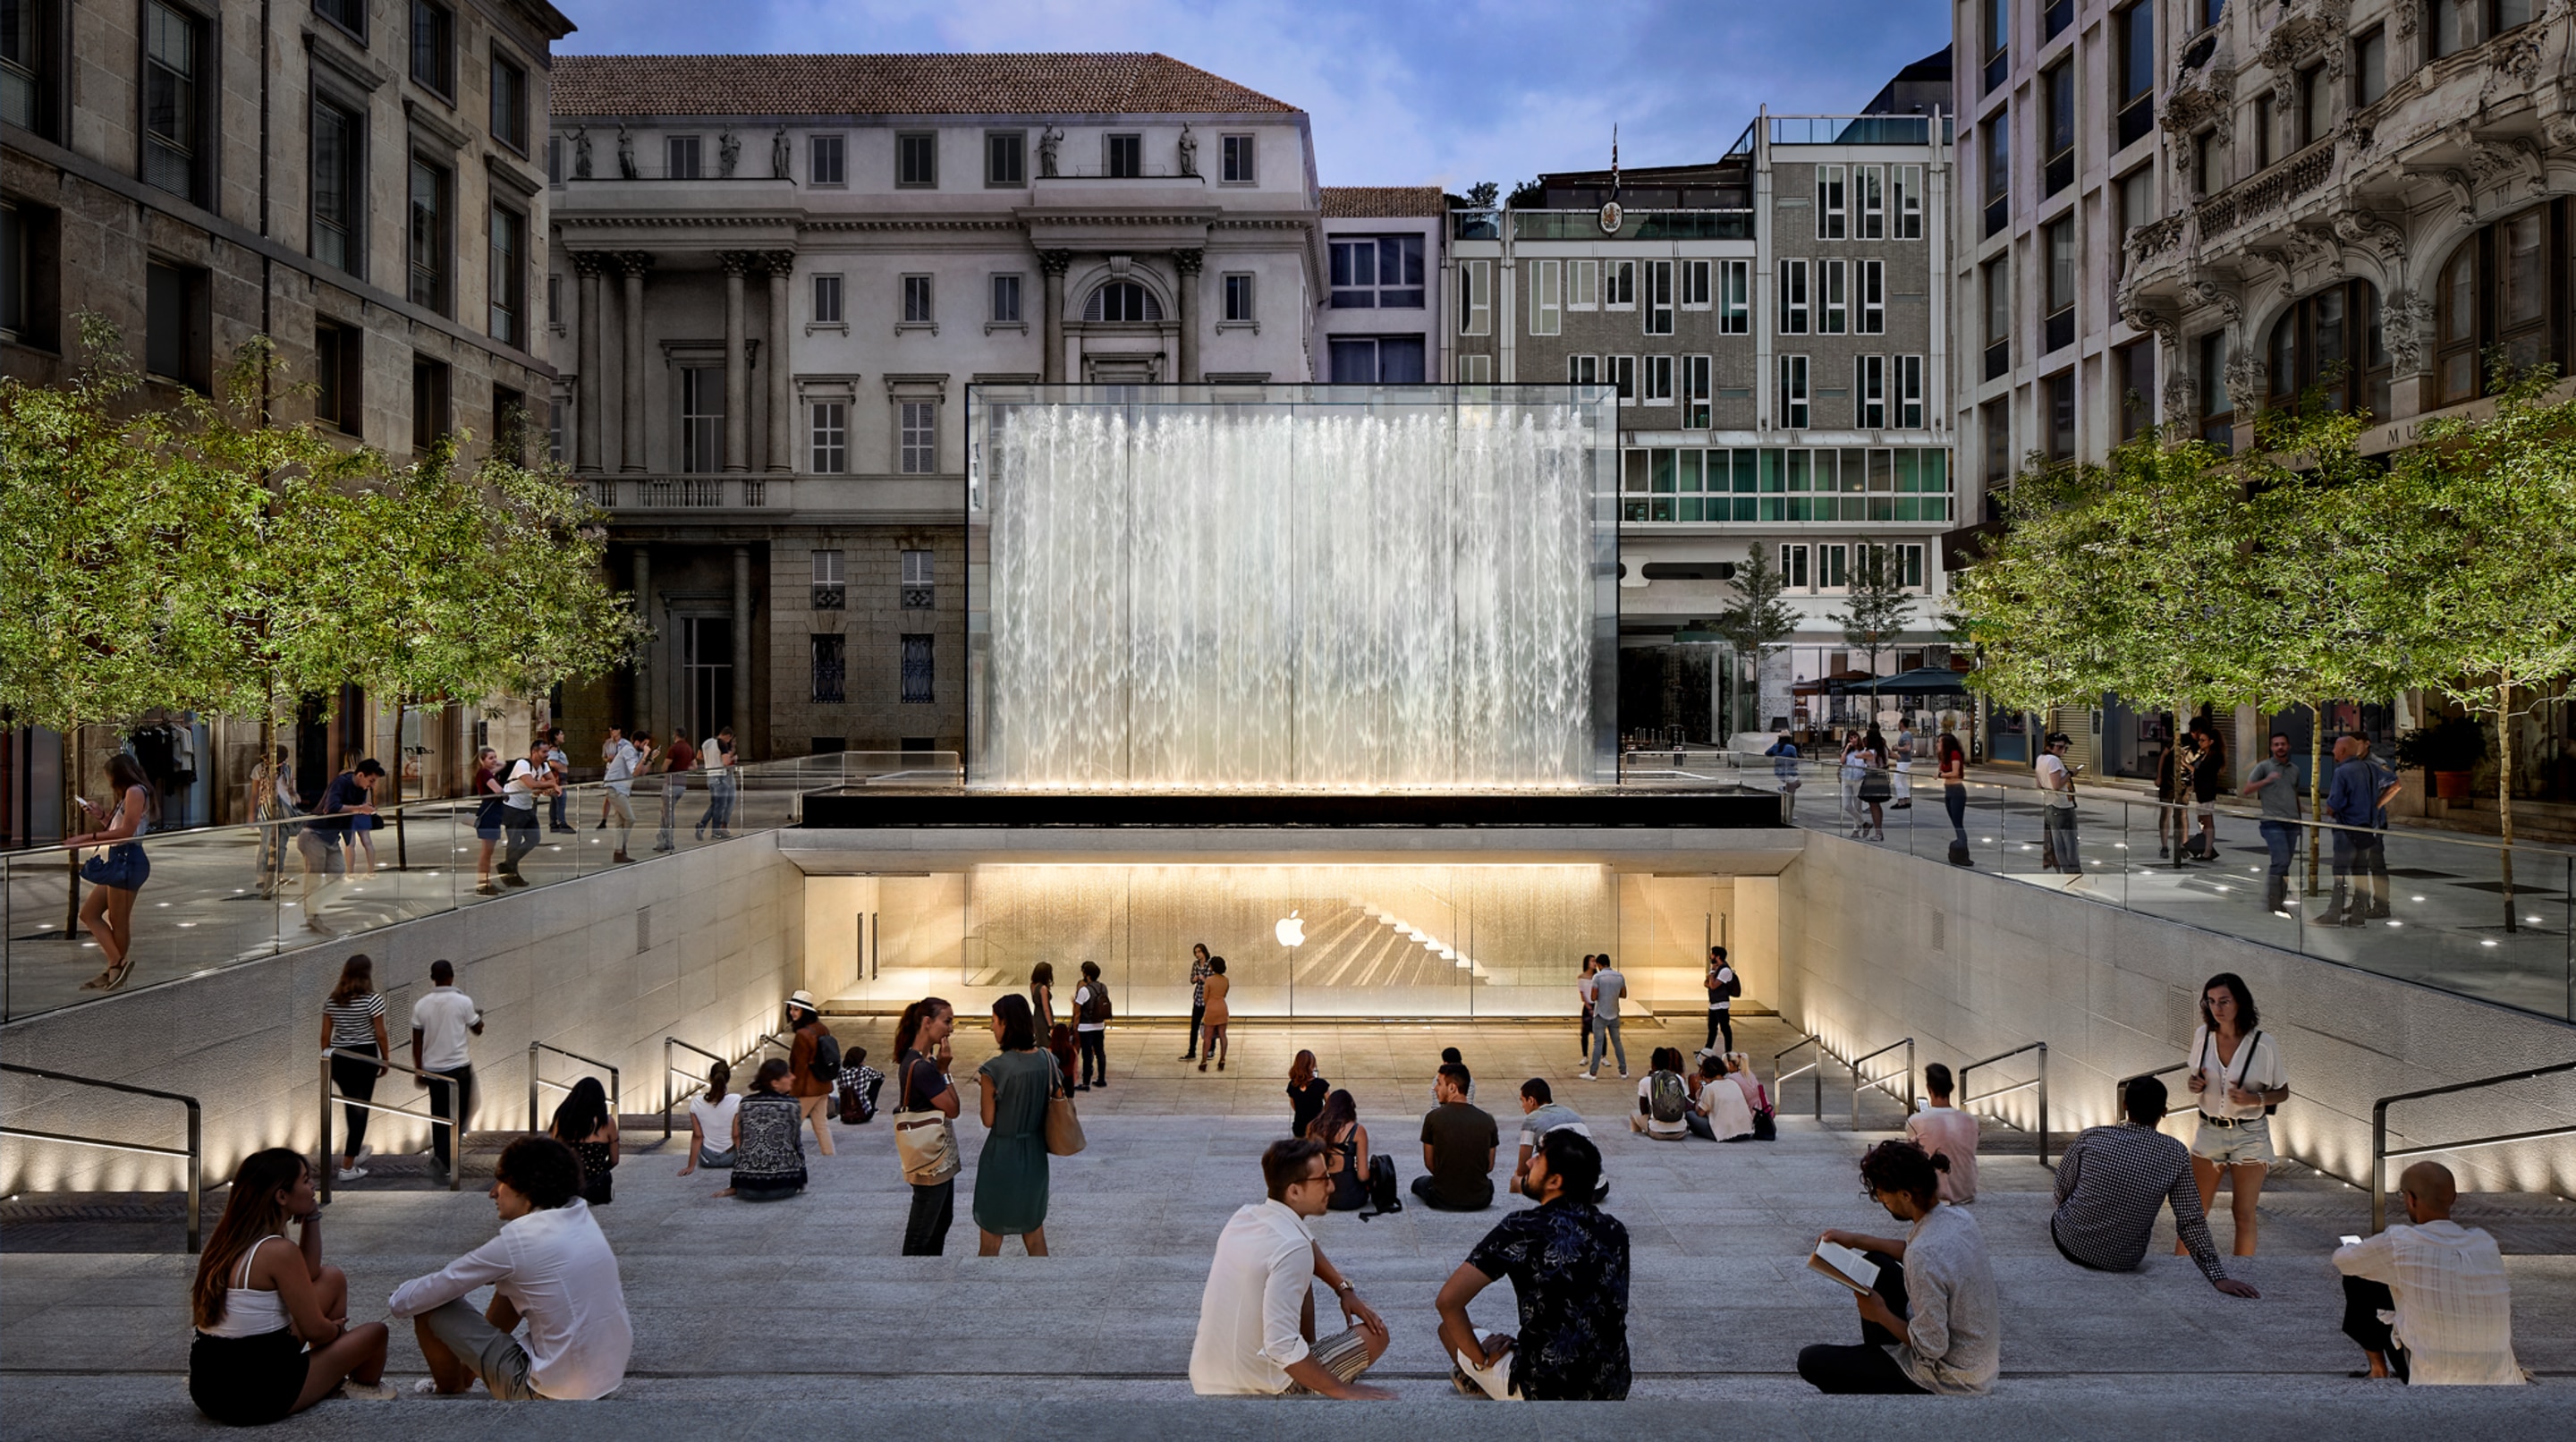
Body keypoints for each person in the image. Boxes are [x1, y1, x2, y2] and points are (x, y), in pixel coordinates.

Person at [390, 1134, 634, 1399]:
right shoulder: (578, 1214)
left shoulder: (521, 1239)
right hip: (604, 1380)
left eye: (501, 1181)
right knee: (514, 1282)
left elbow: (406, 1303)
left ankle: (449, 1389)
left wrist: (402, 1291)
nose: (492, 1192)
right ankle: (467, 1373)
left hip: (551, 1393)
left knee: (429, 1307)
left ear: (525, 1188)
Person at [188, 1148, 394, 1424]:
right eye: (306, 1180)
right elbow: (315, 1332)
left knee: (331, 1278)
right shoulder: (277, 1251)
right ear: (281, 1196)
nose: (312, 1188)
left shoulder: (226, 1242)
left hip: (209, 1388)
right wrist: (335, 1329)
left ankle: (325, 1378)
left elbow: (307, 1274)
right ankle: (351, 1385)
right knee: (376, 1333)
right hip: (256, 1395)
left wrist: (312, 1218)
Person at [1188, 1138, 1393, 1398]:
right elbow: (1280, 1346)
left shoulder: (1245, 1216)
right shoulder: (1292, 1248)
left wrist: (1343, 1289)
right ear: (1294, 1191)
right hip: (1263, 1387)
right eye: (1322, 1180)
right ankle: (1311, 1386)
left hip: (1208, 1378)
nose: (1331, 1186)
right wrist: (1339, 1390)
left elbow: (1306, 1243)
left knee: (1302, 1275)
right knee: (1376, 1334)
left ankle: (1310, 1356)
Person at [1435, 1128, 1628, 1401]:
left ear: (1555, 1181)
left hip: (1543, 1391)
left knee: (1450, 1332)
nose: (1528, 1163)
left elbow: (1448, 1302)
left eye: (1538, 1158)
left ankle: (1479, 1376)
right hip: (1612, 1387)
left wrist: (1482, 1357)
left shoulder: (1522, 1227)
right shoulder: (1615, 1230)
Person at [1797, 1141, 1999, 1395]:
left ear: (1906, 1195)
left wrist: (1879, 1313)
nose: (1881, 1199)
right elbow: (1915, 1251)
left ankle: (1880, 1365)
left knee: (1811, 1361)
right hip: (1980, 1361)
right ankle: (1878, 1358)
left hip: (1952, 1375)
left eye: (1883, 1193)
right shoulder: (1957, 1218)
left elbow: (1932, 1347)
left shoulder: (1922, 1255)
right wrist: (1856, 1240)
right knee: (1876, 1262)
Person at [2055, 1076, 2258, 1294]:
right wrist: (2218, 1276)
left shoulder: (2091, 1137)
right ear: (2164, 1112)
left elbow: (2062, 1188)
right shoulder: (2175, 1152)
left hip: (2069, 1241)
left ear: (2125, 1106)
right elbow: (2190, 1220)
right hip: (2123, 1259)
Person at [2334, 1161, 2523, 1385]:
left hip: (2432, 1378)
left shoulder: (2400, 1242)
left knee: (2359, 1281)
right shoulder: (2485, 1242)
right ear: (2453, 1199)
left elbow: (2343, 1260)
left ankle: (2378, 1368)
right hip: (2502, 1378)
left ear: (2410, 1199)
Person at [2179, 971, 2289, 1257]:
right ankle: (2179, 1276)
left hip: (2250, 1134)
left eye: (2224, 1001)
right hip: (2209, 1130)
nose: (2217, 1008)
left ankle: (2243, 1274)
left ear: (2240, 1002)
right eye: (2211, 1001)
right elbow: (2195, 1076)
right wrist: (2194, 1085)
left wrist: (2256, 1098)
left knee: (2243, 1213)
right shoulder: (2203, 1036)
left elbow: (2283, 1091)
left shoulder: (2263, 1044)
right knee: (2194, 1212)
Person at [975, 993, 1056, 1256]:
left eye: (994, 1020)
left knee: (990, 1239)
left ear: (1006, 1024)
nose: (991, 1026)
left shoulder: (993, 1069)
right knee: (1034, 1234)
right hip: (1034, 1155)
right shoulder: (1047, 1060)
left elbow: (988, 1120)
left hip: (1002, 1155)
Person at [66, 754, 155, 988]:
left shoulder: (135, 791)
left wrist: (87, 837)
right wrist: (101, 815)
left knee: (118, 919)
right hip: (120, 859)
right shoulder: (130, 793)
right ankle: (116, 963)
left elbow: (126, 832)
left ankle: (116, 968)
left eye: (109, 777)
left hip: (128, 859)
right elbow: (119, 827)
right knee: (89, 914)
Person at [894, 997, 960, 1254]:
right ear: (927, 1022)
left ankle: (928, 1273)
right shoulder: (921, 1067)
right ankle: (913, 1278)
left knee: (940, 1222)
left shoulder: (922, 1061)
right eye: (947, 1021)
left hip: (936, 1156)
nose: (951, 1028)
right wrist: (945, 1070)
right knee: (923, 1228)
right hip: (929, 1159)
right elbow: (953, 1109)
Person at [320, 953, 392, 1183]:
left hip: (340, 1058)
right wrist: (385, 1059)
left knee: (353, 1108)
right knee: (360, 1111)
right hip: (364, 1056)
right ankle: (348, 1165)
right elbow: (380, 1033)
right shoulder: (373, 1000)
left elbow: (324, 1037)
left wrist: (328, 1060)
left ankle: (355, 1152)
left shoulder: (332, 1000)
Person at [411, 959, 482, 1175]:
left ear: (432, 979)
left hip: (432, 1069)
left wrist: (419, 1069)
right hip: (458, 1066)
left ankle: (441, 1159)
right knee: (460, 1114)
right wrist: (480, 1016)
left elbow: (417, 1041)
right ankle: (444, 1158)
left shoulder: (421, 1004)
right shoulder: (463, 1002)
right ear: (452, 976)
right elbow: (477, 1029)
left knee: (439, 1114)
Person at [293, 758, 382, 932]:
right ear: (361, 775)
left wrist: (350, 841)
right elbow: (331, 807)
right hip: (314, 835)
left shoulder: (361, 789)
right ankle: (312, 914)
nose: (371, 785)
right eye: (371, 781)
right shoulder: (341, 782)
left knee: (338, 875)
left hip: (331, 838)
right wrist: (359, 809)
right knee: (315, 877)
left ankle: (312, 908)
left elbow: (352, 813)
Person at [2324, 732, 2402, 925]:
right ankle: (2359, 909)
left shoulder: (2371, 764)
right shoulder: (2362, 766)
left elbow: (2395, 785)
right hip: (2366, 825)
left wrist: (2375, 806)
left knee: (2367, 866)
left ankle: (2377, 906)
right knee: (2360, 869)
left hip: (2361, 826)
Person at [1414, 1063, 1498, 1211]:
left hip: (1443, 1198)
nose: (1435, 1089)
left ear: (1452, 1088)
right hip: (1480, 1199)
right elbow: (1489, 1166)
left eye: (1439, 1083)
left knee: (1418, 1184)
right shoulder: (1488, 1120)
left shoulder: (1433, 1118)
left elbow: (1430, 1163)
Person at [720, 1059, 808, 1200]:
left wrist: (735, 1184)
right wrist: (802, 1179)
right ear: (775, 1083)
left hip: (747, 1188)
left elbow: (739, 1138)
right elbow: (796, 1143)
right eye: (787, 1075)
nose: (793, 1077)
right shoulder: (791, 1104)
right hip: (782, 1186)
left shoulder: (746, 1103)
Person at [2243, 732, 2303, 916]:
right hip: (2272, 822)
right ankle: (2273, 901)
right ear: (2271, 748)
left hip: (2291, 823)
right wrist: (2266, 781)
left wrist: (2299, 820)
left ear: (2289, 746)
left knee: (2285, 863)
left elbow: (2295, 794)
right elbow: (2246, 789)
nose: (2280, 747)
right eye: (2276, 744)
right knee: (2281, 861)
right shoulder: (2264, 767)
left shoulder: (2295, 769)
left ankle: (2279, 901)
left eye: (2283, 744)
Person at [1512, 1078, 1602, 1196]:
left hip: (1573, 1192)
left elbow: (1522, 1169)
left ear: (1531, 1100)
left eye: (1523, 1101)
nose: (1523, 1106)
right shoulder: (1571, 1113)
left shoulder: (1531, 1120)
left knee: (1523, 1176)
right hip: (1600, 1186)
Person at [1903, 1064, 1979, 1203]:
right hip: (1966, 1190)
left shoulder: (1916, 1121)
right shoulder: (1972, 1121)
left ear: (1928, 1088)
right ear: (1951, 1088)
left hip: (1934, 1193)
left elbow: (1911, 1158)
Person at [547, 1076, 619, 1206]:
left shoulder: (563, 1119)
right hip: (596, 1187)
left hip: (568, 1184)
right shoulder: (607, 1122)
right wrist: (600, 1169)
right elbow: (614, 1160)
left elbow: (554, 1152)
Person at [497, 739, 558, 887]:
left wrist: (550, 787)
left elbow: (552, 781)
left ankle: (507, 866)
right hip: (512, 807)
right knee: (514, 841)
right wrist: (550, 785)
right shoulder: (523, 764)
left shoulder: (544, 765)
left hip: (527, 806)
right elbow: (533, 784)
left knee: (534, 838)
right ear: (534, 752)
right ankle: (511, 874)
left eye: (548, 752)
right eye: (544, 752)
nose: (547, 755)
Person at [784, 990, 838, 1157]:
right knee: (821, 1125)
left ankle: (786, 1160)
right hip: (822, 1085)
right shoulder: (821, 1028)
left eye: (796, 1009)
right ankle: (830, 1156)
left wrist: (793, 1092)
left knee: (791, 1125)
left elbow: (799, 1067)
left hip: (807, 1089)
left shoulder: (802, 1035)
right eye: (791, 1009)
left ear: (804, 1012)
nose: (792, 1013)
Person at [1311, 1089, 1369, 1212]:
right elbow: (1363, 1176)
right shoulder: (1357, 1130)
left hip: (1323, 1197)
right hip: (1351, 1198)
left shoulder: (1314, 1128)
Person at [676, 1061, 738, 1175]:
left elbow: (697, 1136)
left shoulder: (696, 1102)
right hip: (731, 1158)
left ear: (710, 1078)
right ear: (728, 1079)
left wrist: (690, 1166)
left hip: (707, 1159)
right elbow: (736, 1135)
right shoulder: (737, 1100)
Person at [251, 743, 297, 897]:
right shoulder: (260, 769)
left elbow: (290, 787)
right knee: (265, 844)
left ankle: (280, 873)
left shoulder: (287, 769)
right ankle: (261, 876)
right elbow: (254, 793)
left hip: (284, 810)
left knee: (282, 845)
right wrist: (252, 814)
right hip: (266, 810)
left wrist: (294, 796)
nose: (281, 763)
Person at [2183, 718, 2226, 861]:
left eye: (2203, 740)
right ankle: (2206, 848)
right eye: (2200, 740)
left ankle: (2208, 850)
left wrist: (2186, 764)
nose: (2200, 742)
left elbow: (2202, 772)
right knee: (2203, 819)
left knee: (2207, 820)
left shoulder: (2215, 757)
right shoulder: (2204, 755)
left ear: (2211, 742)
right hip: (2201, 790)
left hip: (2207, 791)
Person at [2036, 731, 2079, 871]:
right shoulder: (2053, 761)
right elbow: (2057, 785)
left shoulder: (2041, 758)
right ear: (2057, 746)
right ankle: (2073, 875)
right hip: (2061, 806)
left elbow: (2039, 784)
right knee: (2070, 844)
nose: (2065, 751)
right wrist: (2071, 773)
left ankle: (2068, 875)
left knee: (2058, 842)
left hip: (2049, 805)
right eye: (2064, 748)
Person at [1688, 1053, 1754, 1142]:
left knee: (1690, 1115)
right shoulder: (1733, 1083)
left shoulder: (1710, 1088)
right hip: (1746, 1131)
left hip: (1726, 1133)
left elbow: (1700, 1113)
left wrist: (1698, 1098)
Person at [1629, 1047, 1690, 1141]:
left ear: (1653, 1064)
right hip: (1680, 1131)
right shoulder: (1678, 1078)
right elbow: (1685, 1103)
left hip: (1657, 1131)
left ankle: (1636, 1139)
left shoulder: (1646, 1081)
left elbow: (1643, 1110)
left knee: (1634, 1114)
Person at [600, 726, 643, 863]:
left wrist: (649, 758)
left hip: (622, 789)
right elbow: (634, 772)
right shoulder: (629, 750)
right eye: (645, 744)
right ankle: (622, 848)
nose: (646, 747)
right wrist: (646, 756)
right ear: (637, 742)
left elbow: (642, 772)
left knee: (620, 822)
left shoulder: (636, 752)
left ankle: (618, 852)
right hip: (615, 788)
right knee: (630, 818)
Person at [469, 746, 507, 895]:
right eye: (490, 758)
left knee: (488, 852)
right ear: (482, 760)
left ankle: (486, 882)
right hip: (489, 815)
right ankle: (483, 883)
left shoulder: (487, 772)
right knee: (486, 852)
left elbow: (503, 764)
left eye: (495, 757)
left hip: (494, 814)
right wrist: (505, 793)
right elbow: (499, 791)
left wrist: (493, 763)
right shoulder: (485, 773)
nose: (495, 760)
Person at [1582, 954, 1627, 1079]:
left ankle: (1593, 1072)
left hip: (1600, 1014)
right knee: (1617, 1042)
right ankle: (1623, 1071)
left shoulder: (1597, 977)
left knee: (1598, 1043)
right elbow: (1624, 994)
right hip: (1614, 1013)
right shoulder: (1619, 976)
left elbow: (1593, 997)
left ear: (1599, 965)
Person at [652, 732, 695, 853]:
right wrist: (683, 768)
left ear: (675, 735)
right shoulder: (689, 748)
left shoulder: (674, 748)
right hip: (682, 784)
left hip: (671, 783)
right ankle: (661, 840)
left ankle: (668, 841)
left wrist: (673, 768)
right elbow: (694, 766)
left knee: (667, 813)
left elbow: (665, 767)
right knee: (665, 812)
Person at [1071, 960, 1111, 1090]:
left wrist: (1075, 1025)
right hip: (1099, 1024)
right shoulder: (1103, 987)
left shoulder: (1084, 990)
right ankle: (1101, 1079)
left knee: (1087, 1055)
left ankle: (1086, 1082)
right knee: (1100, 1052)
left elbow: (1078, 1010)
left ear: (1087, 975)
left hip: (1086, 1026)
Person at [693, 725, 735, 840]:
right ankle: (716, 831)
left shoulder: (706, 742)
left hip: (710, 777)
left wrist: (710, 760)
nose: (728, 742)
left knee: (714, 804)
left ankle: (702, 826)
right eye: (729, 739)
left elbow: (699, 756)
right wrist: (732, 758)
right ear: (728, 736)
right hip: (720, 776)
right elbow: (726, 762)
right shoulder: (722, 743)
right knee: (720, 806)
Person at [1936, 727, 1971, 858]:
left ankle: (1962, 846)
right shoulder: (1943, 756)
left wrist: (1942, 774)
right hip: (1948, 790)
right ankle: (1960, 844)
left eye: (1940, 742)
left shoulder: (1954, 754)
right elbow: (1942, 771)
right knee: (1954, 820)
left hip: (1956, 790)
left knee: (1958, 821)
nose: (1937, 745)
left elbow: (1955, 773)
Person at [1857, 725, 1894, 840]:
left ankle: (1878, 832)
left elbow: (1856, 756)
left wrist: (1861, 746)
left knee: (1874, 805)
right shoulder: (1884, 750)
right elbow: (1895, 755)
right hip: (1882, 777)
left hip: (1872, 777)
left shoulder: (1870, 752)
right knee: (1875, 805)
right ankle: (1879, 831)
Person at [1198, 956, 1232, 1072]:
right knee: (1222, 1034)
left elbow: (1205, 996)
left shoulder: (1209, 980)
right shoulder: (1226, 980)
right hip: (1222, 1007)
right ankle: (1222, 1059)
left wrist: (1209, 1007)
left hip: (1211, 1008)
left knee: (1207, 1037)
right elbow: (1225, 994)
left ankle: (1204, 1062)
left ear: (1213, 966)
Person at [1181, 941, 1213, 1062]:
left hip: (1209, 999)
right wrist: (1194, 979)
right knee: (1194, 1026)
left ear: (1204, 951)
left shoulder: (1210, 964)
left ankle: (1210, 1050)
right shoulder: (1195, 964)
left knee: (1210, 1025)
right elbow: (1191, 979)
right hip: (1198, 998)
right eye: (1196, 952)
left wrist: (1205, 979)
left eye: (1199, 952)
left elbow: (1213, 979)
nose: (1197, 954)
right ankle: (1191, 1051)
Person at [1287, 1049, 1329, 1138]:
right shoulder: (1321, 1084)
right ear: (1312, 1065)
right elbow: (1330, 1104)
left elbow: (1294, 1104)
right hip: (1317, 1127)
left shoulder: (1292, 1085)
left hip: (1299, 1127)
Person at [1703, 945, 1736, 1054]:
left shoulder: (1725, 970)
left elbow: (1713, 985)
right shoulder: (1715, 969)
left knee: (1725, 1028)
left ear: (1717, 956)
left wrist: (1712, 974)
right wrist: (1711, 980)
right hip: (1713, 1004)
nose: (1710, 956)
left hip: (1722, 1004)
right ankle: (1707, 1049)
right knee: (1712, 1028)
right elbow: (1706, 983)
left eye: (1712, 954)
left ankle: (1728, 1051)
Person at [542, 727, 573, 834]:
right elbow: (552, 763)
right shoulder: (553, 750)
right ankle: (562, 823)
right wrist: (563, 768)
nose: (563, 736)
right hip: (559, 777)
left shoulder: (556, 749)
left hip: (560, 776)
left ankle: (553, 823)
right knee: (561, 800)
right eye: (561, 734)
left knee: (555, 802)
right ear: (556, 736)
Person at [1766, 732, 1802, 819]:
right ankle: (1789, 813)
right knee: (1792, 793)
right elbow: (1794, 760)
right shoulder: (1791, 748)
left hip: (1778, 772)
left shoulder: (1775, 747)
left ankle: (1784, 788)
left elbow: (1767, 753)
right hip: (1789, 772)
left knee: (1795, 785)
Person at [1575, 954, 1598, 1066]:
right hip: (1588, 1006)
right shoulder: (1581, 978)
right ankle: (1585, 1056)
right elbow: (1583, 995)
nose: (1594, 963)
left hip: (1597, 1006)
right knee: (1584, 1033)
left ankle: (1602, 1056)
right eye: (1592, 961)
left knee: (1599, 1032)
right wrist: (1589, 1007)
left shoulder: (1597, 977)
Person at [1892, 717, 1918, 809]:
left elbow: (1907, 748)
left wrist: (1897, 748)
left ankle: (1901, 800)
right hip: (1904, 760)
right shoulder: (1906, 734)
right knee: (1903, 780)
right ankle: (1907, 799)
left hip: (1903, 760)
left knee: (1897, 779)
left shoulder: (1906, 735)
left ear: (1901, 724)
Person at [1028, 961, 1057, 1039]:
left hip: (1036, 1015)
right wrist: (1051, 1025)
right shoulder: (1043, 988)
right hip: (1044, 1019)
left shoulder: (1032, 985)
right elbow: (1046, 1008)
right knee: (1046, 1041)